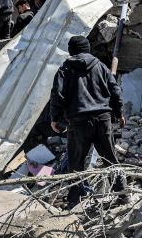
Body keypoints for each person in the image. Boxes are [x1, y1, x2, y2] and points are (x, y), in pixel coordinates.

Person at [49, 35, 123, 208]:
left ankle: (75, 199)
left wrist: (55, 118)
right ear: (87, 49)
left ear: (71, 50)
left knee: (76, 162)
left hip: (79, 121)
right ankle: (122, 193)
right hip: (102, 119)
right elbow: (115, 90)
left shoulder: (65, 68)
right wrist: (119, 113)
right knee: (110, 159)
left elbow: (57, 95)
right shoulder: (100, 66)